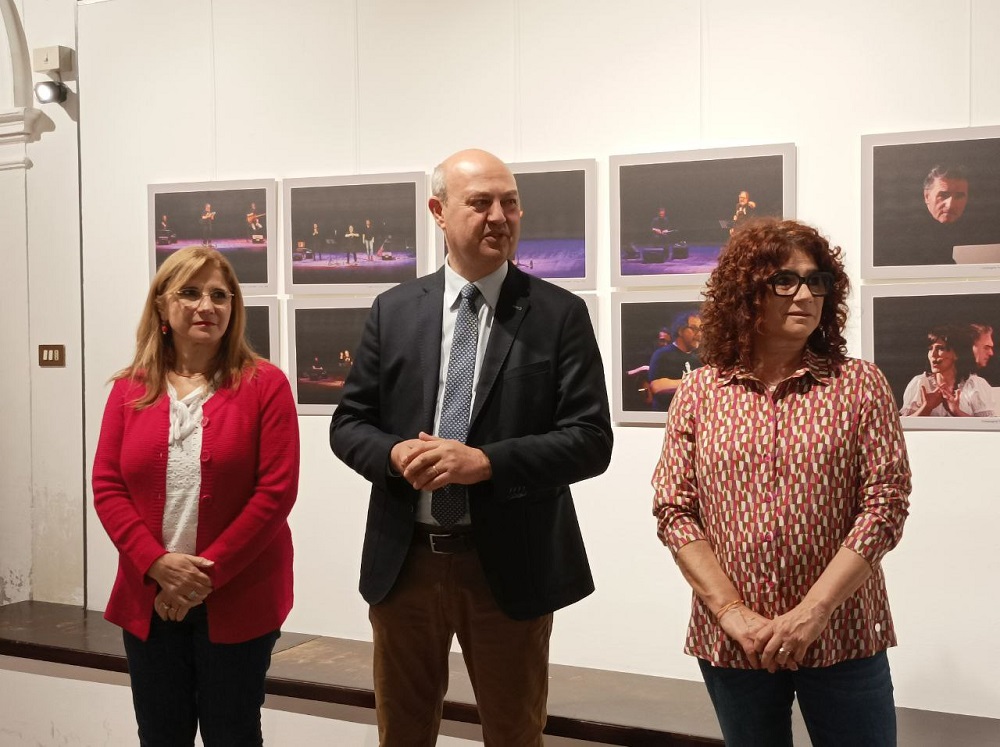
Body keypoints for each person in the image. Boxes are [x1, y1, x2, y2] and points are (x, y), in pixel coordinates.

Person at [330, 148, 613, 746]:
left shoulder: (558, 315)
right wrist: (394, 456)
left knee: (514, 734)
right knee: (402, 734)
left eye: (510, 202)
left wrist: (485, 463)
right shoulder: (393, 311)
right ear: (438, 211)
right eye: (480, 202)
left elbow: (590, 441)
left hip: (508, 564)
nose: (499, 217)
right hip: (405, 564)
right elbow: (350, 423)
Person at [652, 218, 911, 746]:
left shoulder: (859, 385)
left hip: (841, 634)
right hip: (735, 642)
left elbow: (885, 506)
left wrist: (814, 612)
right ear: (746, 293)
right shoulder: (701, 392)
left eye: (817, 281)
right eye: (785, 280)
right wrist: (731, 612)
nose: (806, 295)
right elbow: (674, 510)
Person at [92, 245, 300, 746]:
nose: (206, 306)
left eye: (219, 295)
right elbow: (107, 485)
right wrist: (157, 565)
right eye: (189, 292)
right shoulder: (129, 389)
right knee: (160, 734)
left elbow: (275, 493)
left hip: (240, 596)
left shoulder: (265, 385)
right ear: (162, 305)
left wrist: (199, 578)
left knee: (233, 734)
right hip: (149, 596)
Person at [900, 325, 994, 417]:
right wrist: (926, 407)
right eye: (930, 349)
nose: (933, 354)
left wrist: (956, 411)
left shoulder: (975, 385)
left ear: (956, 354)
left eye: (940, 348)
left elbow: (987, 425)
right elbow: (904, 424)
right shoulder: (920, 383)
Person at [648, 310, 703, 411]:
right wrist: (694, 382)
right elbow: (657, 386)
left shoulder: (698, 360)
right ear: (680, 330)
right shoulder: (662, 354)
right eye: (694, 329)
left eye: (701, 329)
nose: (699, 334)